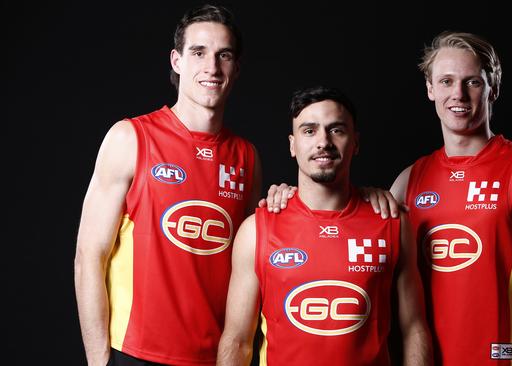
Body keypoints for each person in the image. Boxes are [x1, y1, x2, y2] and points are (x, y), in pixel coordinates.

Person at [74, 4, 262, 366]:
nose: (211, 67)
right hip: (135, 354)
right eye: (198, 52)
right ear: (176, 61)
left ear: (236, 69)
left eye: (224, 55)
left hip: (213, 357)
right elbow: (88, 257)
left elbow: (250, 262)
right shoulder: (131, 138)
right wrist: (99, 361)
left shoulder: (247, 158)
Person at [217, 86, 432, 366]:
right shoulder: (256, 230)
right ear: (293, 145)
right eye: (309, 131)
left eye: (336, 130)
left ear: (355, 142)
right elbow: (237, 340)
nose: (323, 142)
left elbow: (413, 330)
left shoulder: (391, 223)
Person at [389, 31, 512, 365]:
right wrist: (289, 196)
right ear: (430, 89)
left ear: (493, 87)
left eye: (472, 82)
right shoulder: (408, 181)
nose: (458, 94)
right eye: (446, 81)